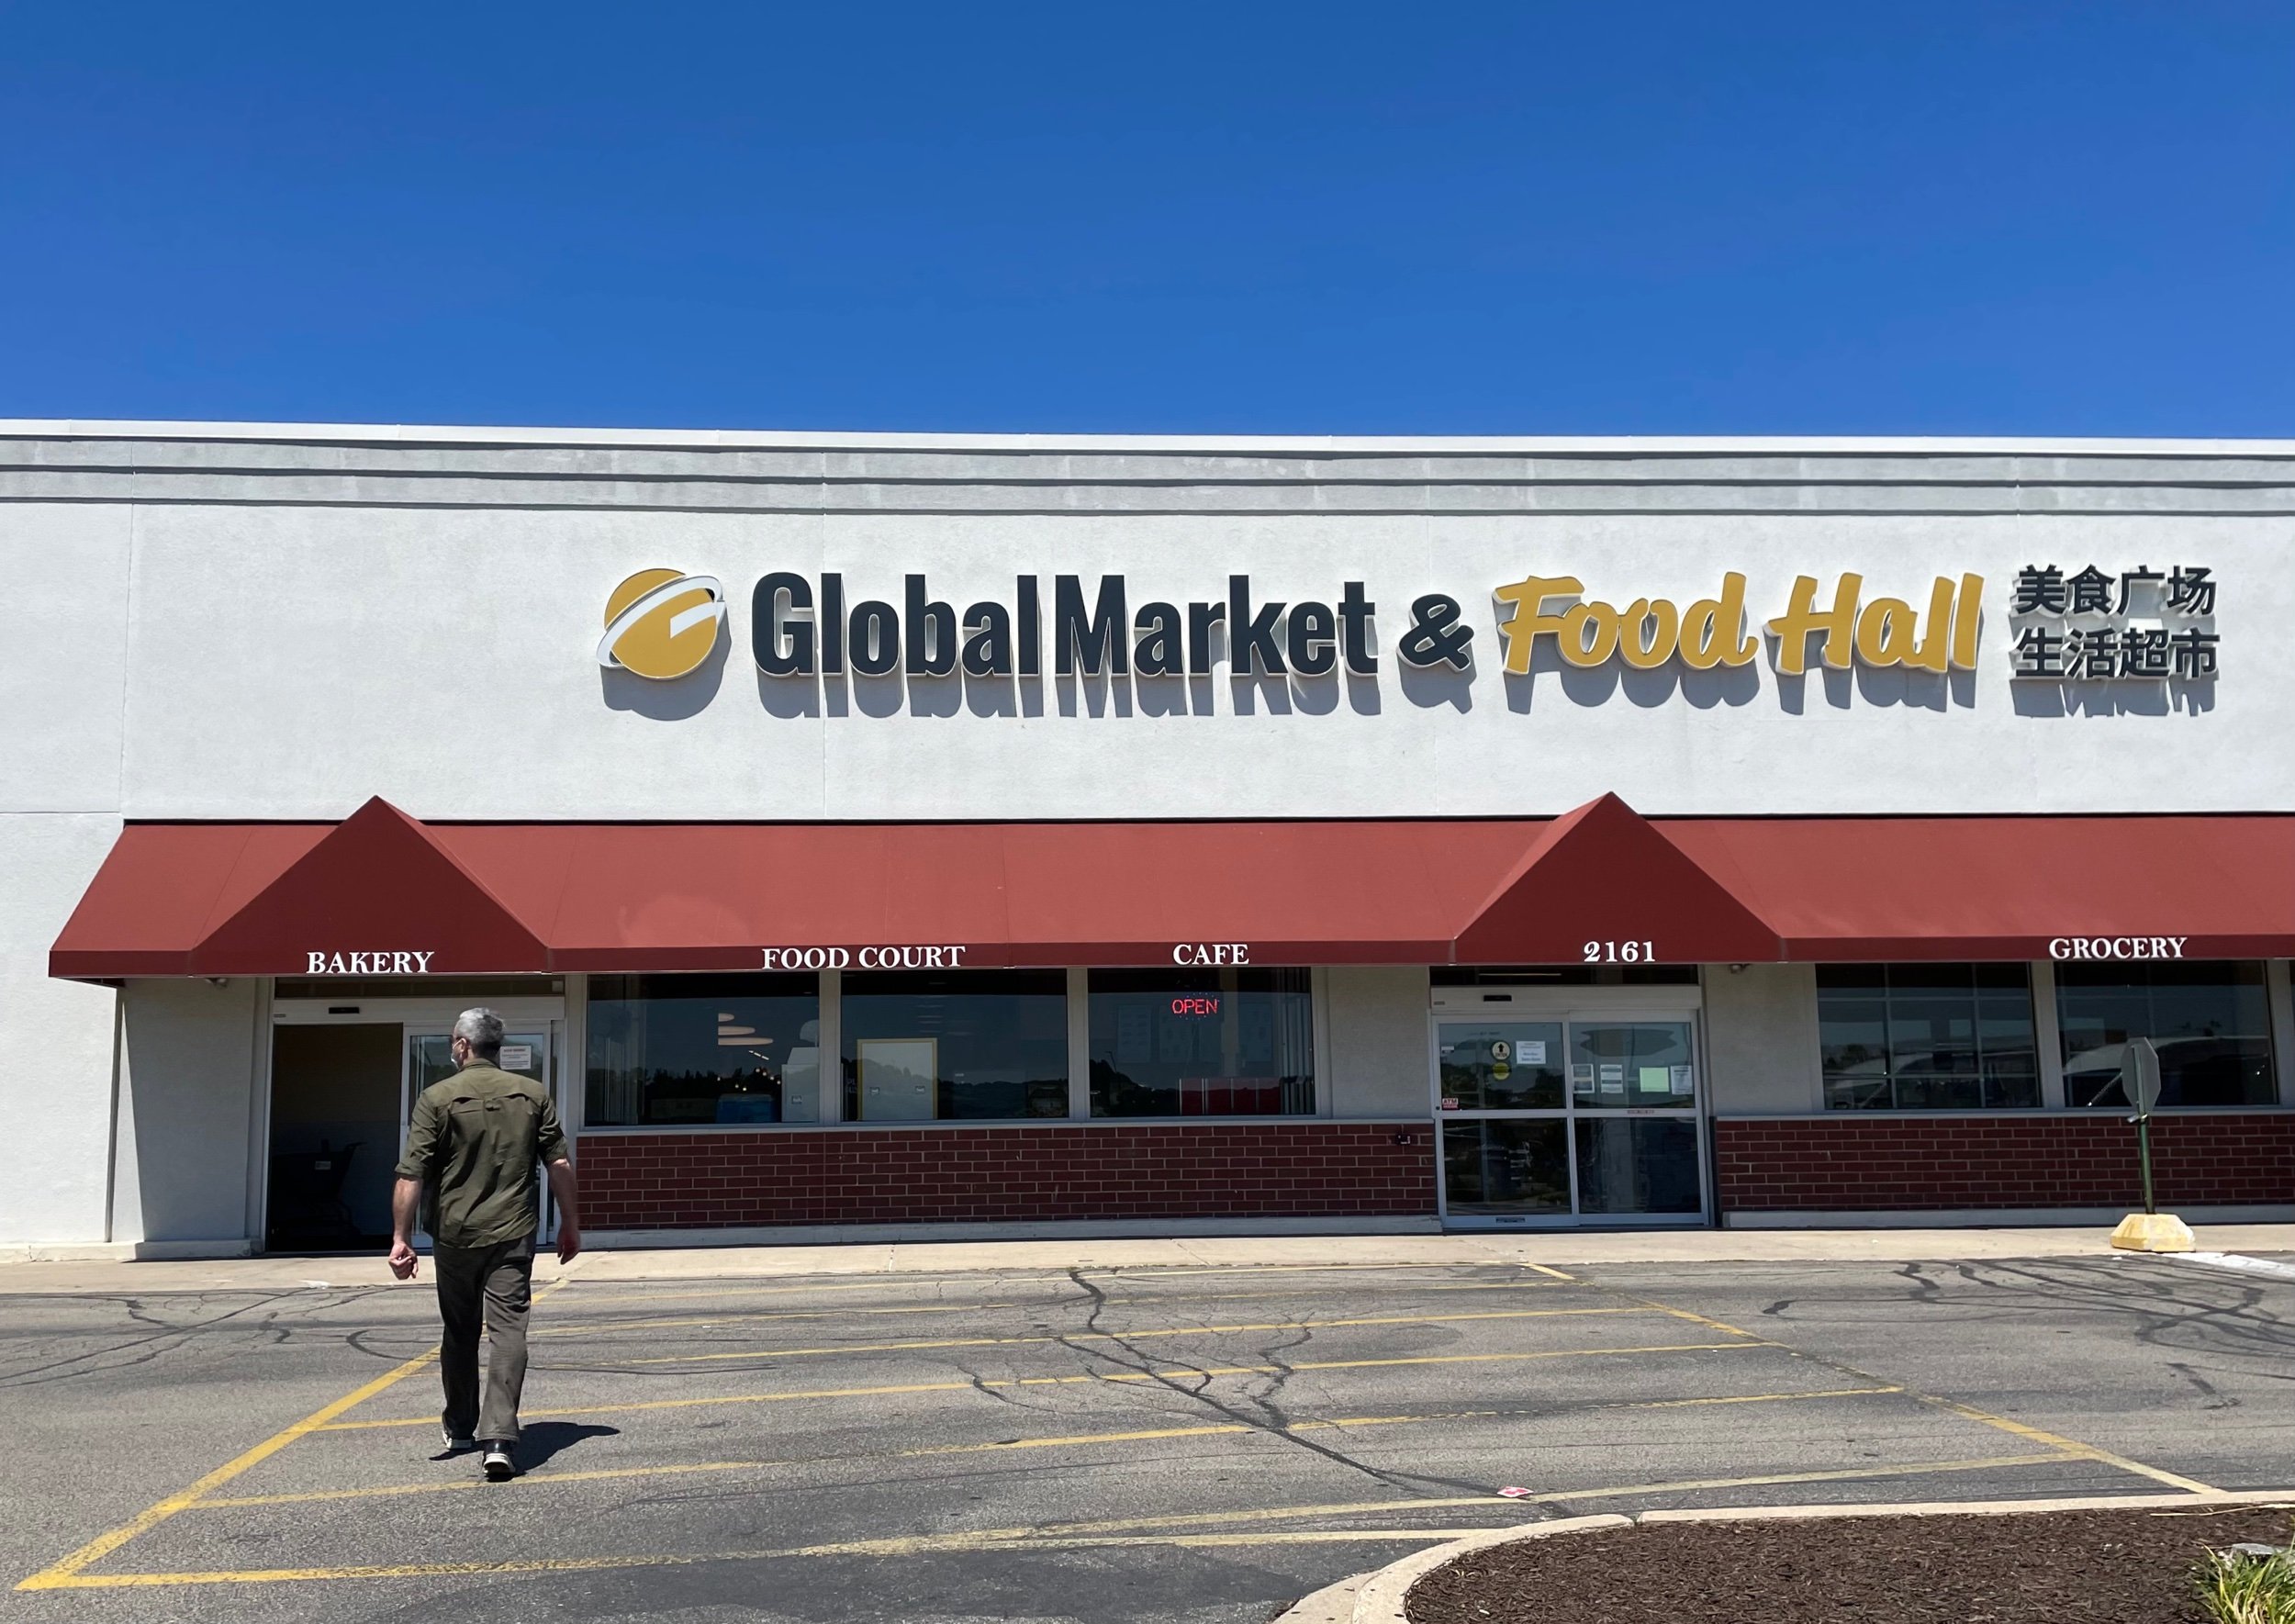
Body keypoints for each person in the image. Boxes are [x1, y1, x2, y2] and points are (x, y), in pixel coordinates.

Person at [388, 1007, 581, 1481]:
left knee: (459, 1329)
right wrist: (570, 1222)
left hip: (456, 1235)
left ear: (461, 1046)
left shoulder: (437, 1097)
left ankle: (460, 1426)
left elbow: (411, 1172)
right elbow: (558, 1163)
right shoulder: (532, 1094)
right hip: (513, 1232)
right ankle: (499, 1438)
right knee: (509, 1331)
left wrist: (400, 1237)